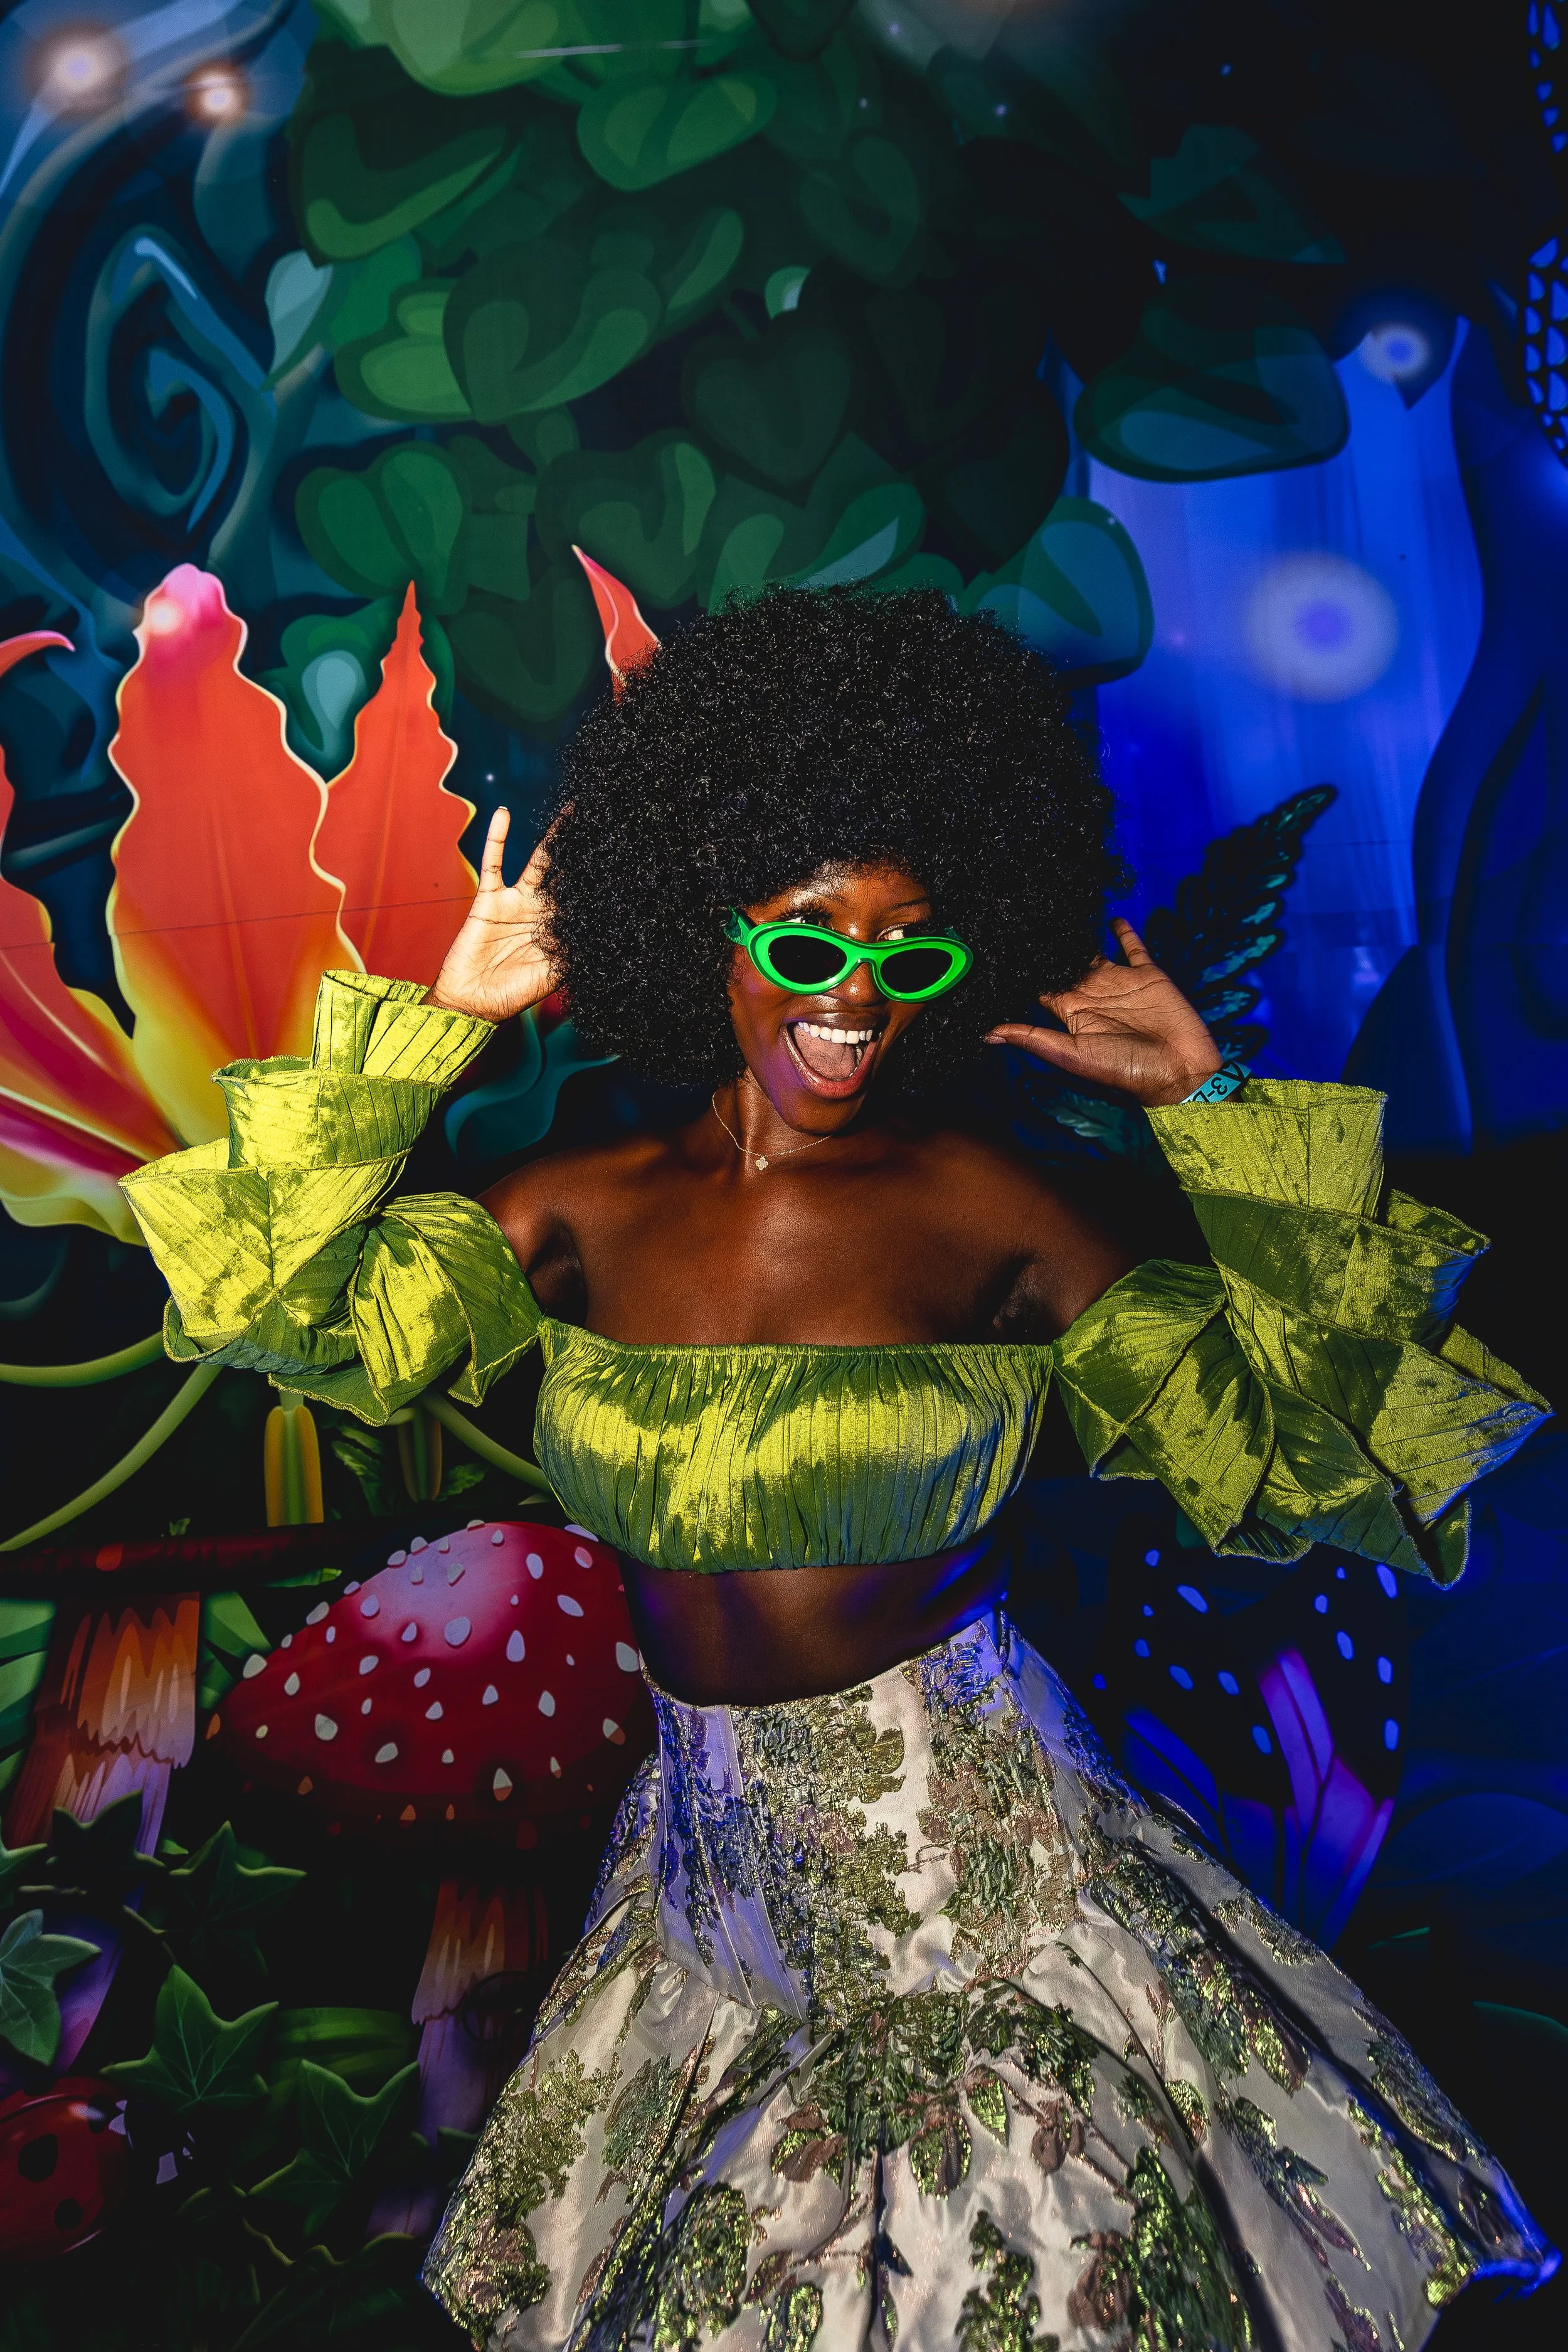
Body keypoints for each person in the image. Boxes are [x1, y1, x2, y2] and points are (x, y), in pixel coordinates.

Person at [124, 586, 1555, 2351]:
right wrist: (434, 1023)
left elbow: (1316, 1435)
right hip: (710, 1892)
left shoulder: (987, 1211)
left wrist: (1204, 1106)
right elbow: (266, 1296)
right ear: (699, 922)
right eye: (808, 942)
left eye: (911, 951)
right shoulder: (580, 1207)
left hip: (986, 1897)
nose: (855, 998)